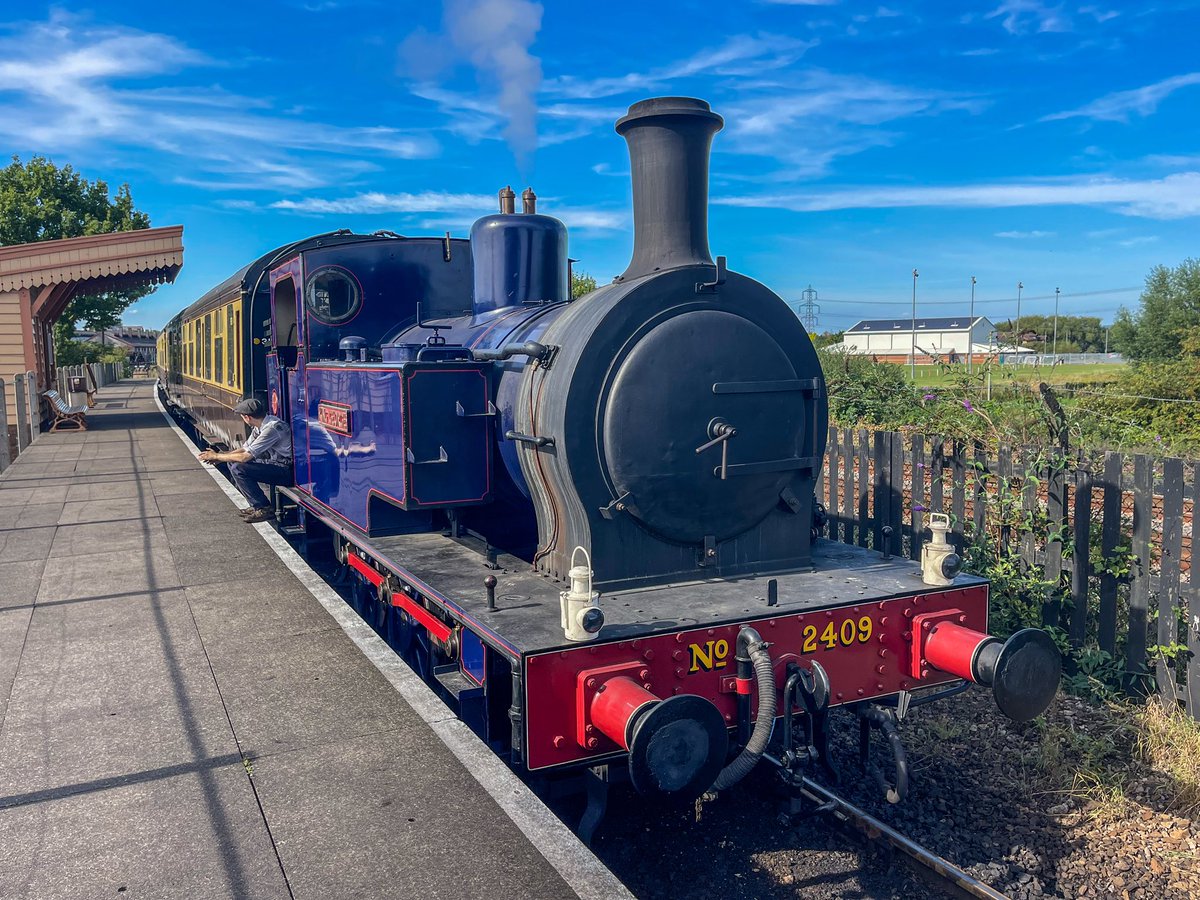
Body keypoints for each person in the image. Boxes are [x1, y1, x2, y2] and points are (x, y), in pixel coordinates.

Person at [198, 398, 293, 523]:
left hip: (286, 470)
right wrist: (222, 457)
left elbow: (245, 457)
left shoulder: (272, 428)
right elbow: (244, 449)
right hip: (275, 465)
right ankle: (256, 505)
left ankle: (264, 508)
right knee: (232, 462)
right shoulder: (259, 427)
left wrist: (217, 456)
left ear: (247, 417)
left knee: (239, 468)